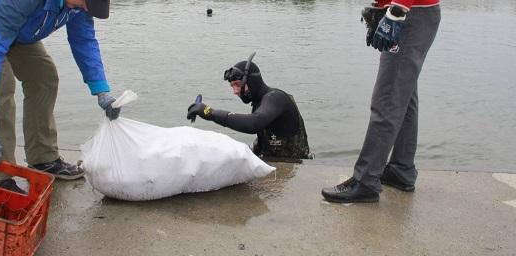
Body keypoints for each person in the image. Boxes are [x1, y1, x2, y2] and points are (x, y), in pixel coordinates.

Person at [0, 0, 121, 180]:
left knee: (44, 77)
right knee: (1, 82)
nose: (85, 7)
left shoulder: (80, 5)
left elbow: (84, 40)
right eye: (85, 2)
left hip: (17, 18)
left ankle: (43, 159)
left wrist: (101, 89)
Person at [321, 0, 441, 203]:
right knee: (404, 95)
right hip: (416, 13)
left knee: (387, 99)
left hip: (410, 15)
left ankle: (365, 182)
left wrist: (396, 11)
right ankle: (400, 169)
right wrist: (382, 7)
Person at [187, 54, 311, 161]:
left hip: (295, 167)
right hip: (274, 162)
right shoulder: (258, 103)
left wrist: (210, 113)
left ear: (251, 81)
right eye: (232, 86)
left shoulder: (275, 98)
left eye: (237, 85)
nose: (235, 91)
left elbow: (253, 124)